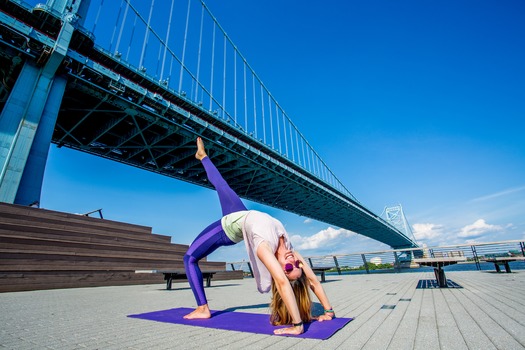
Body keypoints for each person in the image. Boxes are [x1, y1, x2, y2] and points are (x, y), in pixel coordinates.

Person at [183, 137, 335, 335]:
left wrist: (298, 325)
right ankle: (202, 156)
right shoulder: (289, 248)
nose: (293, 261)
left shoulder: (264, 248)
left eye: (289, 268)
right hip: (241, 213)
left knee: (189, 258)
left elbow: (281, 282)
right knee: (223, 185)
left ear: (279, 268)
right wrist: (328, 310)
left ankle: (203, 308)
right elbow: (313, 281)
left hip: (227, 229)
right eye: (297, 266)